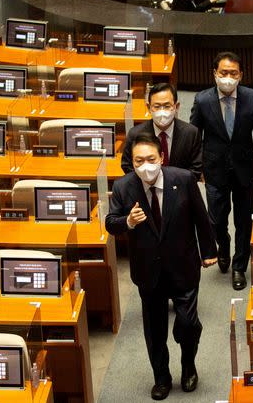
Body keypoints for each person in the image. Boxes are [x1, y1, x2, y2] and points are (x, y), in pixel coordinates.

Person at [105, 133, 217, 400]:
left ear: (162, 158)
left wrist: (209, 251)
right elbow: (110, 222)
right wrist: (128, 222)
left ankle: (188, 365)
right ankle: (162, 378)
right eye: (139, 160)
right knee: (155, 333)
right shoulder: (123, 187)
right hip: (148, 272)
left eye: (151, 159)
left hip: (184, 265)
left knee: (188, 325)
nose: (146, 165)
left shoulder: (183, 179)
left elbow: (201, 217)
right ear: (132, 163)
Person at [190, 51, 253, 291]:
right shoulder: (202, 100)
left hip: (244, 169)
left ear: (241, 75)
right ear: (215, 74)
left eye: (233, 73)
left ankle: (238, 266)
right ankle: (222, 248)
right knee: (216, 220)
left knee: (244, 222)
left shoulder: (252, 97)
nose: (228, 77)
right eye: (223, 73)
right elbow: (194, 136)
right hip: (213, 170)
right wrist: (197, 169)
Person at [121, 83, 203, 181]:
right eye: (157, 106)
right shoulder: (135, 134)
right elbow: (127, 165)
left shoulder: (191, 133)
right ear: (148, 107)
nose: (162, 111)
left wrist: (174, 186)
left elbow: (196, 169)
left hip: (180, 190)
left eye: (167, 106)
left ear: (176, 107)